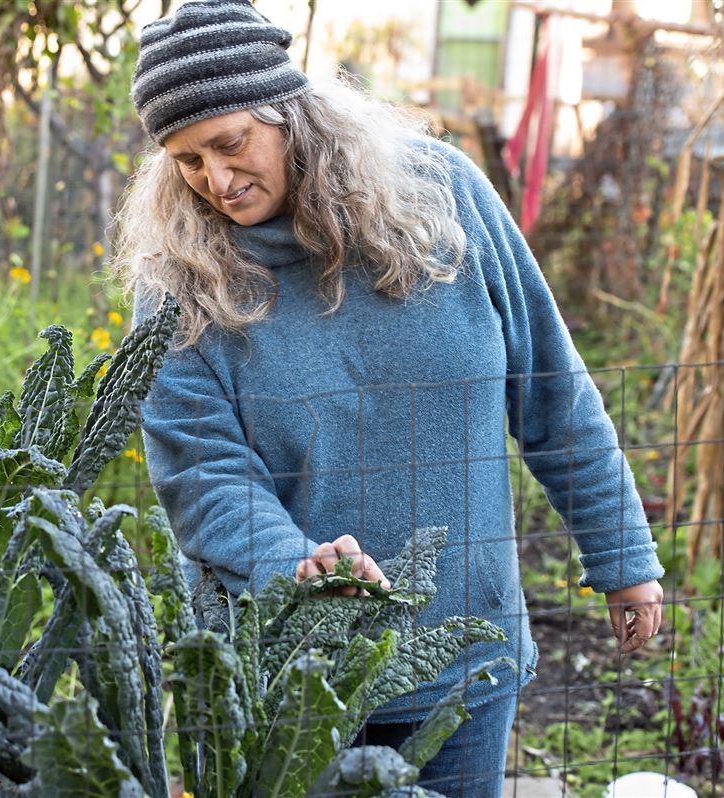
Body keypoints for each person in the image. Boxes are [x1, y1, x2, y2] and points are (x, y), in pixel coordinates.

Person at [113, 2, 665, 795]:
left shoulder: (444, 200)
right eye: (187, 161)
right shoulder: (178, 281)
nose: (217, 182)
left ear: (290, 112)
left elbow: (550, 386)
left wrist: (621, 555)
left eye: (230, 144)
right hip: (292, 672)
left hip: (465, 654)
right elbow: (202, 471)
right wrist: (293, 565)